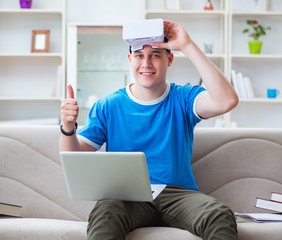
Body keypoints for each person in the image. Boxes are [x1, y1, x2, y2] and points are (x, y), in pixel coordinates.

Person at [59, 19, 239, 240]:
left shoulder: (184, 98)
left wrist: (187, 45)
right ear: (129, 59)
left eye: (155, 55)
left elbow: (226, 101)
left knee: (218, 214)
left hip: (179, 195)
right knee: (105, 213)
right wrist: (68, 128)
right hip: (126, 197)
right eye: (139, 56)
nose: (146, 63)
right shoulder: (108, 105)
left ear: (169, 59)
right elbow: (74, 159)